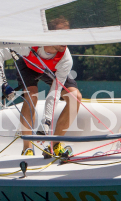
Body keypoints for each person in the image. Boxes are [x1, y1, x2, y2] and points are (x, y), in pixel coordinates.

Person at [16, 17, 82, 158]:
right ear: (49, 35)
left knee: (75, 97)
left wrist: (47, 121)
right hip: (28, 64)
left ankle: (55, 145)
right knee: (31, 96)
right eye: (61, 36)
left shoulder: (65, 59)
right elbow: (4, 51)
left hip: (51, 69)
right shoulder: (29, 45)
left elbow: (55, 92)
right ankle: (27, 148)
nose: (66, 40)